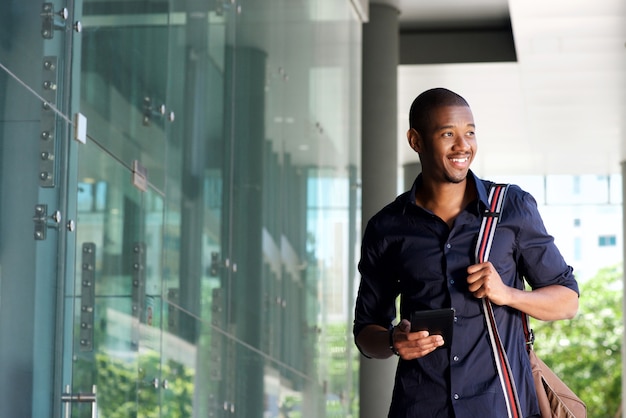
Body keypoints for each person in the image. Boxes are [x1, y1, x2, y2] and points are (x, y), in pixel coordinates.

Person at [353, 87, 579, 417]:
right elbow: (365, 332)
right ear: (416, 141)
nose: (463, 146)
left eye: (470, 133)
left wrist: (507, 294)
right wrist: (393, 341)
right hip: (420, 407)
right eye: (448, 134)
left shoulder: (512, 207)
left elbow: (568, 301)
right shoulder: (387, 227)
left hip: (499, 406)